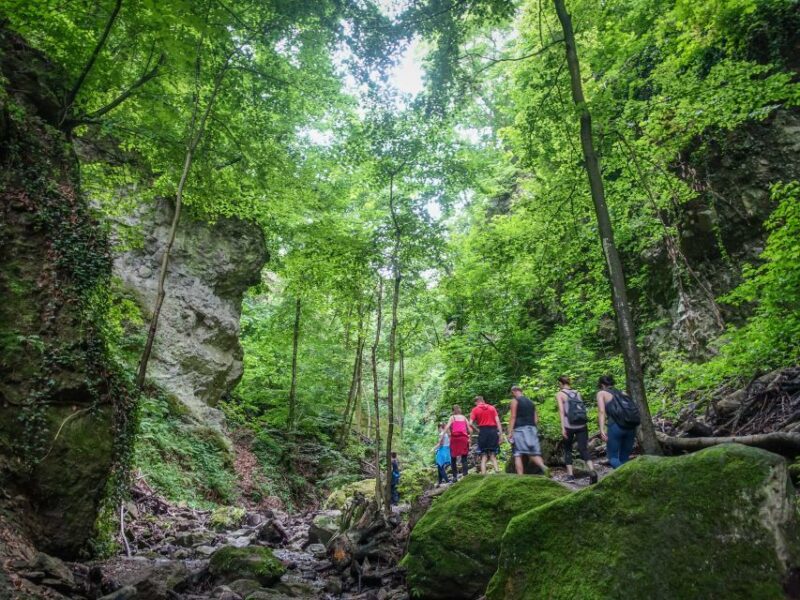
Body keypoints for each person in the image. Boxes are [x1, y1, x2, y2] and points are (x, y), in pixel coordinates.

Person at [556, 376, 598, 483]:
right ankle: (592, 470)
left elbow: (561, 412)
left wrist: (562, 428)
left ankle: (570, 475)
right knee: (583, 449)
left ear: (561, 383)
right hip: (582, 425)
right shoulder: (577, 393)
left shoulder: (560, 394)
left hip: (568, 425)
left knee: (568, 449)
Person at [597, 375, 638, 468]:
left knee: (613, 457)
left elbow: (601, 411)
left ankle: (625, 476)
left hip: (615, 426)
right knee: (624, 458)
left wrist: (602, 429)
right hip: (630, 426)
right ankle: (629, 480)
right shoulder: (623, 393)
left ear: (602, 385)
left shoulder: (602, 393)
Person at [507, 385, 549, 476]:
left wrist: (510, 432)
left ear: (514, 392)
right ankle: (544, 467)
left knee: (518, 453)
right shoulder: (531, 402)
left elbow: (513, 416)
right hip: (532, 429)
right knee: (533, 453)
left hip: (520, 429)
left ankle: (520, 477)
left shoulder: (515, 401)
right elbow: (536, 419)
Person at [469, 396, 503, 474]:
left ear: (476, 402)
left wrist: (477, 430)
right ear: (483, 400)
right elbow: (498, 421)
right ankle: (497, 472)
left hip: (483, 432)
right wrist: (500, 434)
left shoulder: (475, 410)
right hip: (493, 431)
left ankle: (483, 475)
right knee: (493, 455)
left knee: (483, 455)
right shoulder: (492, 408)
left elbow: (470, 423)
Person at [446, 405, 473, 479]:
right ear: (459, 410)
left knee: (453, 458)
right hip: (463, 439)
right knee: (464, 457)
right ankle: (465, 475)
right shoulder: (464, 418)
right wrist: (470, 438)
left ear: (453, 411)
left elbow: (447, 427)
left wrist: (448, 435)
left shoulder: (452, 418)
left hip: (455, 439)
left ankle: (455, 477)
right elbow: (470, 430)